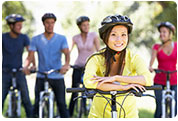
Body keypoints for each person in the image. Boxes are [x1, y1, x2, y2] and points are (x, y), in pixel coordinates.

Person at [83, 14, 152, 118]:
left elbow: (147, 79)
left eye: (124, 35)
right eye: (113, 34)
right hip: (99, 115)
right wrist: (123, 87)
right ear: (105, 37)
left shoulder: (133, 58)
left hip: (128, 115)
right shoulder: (96, 58)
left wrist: (115, 78)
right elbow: (89, 81)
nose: (119, 40)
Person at [23, 13, 70, 118]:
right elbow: (30, 56)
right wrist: (26, 66)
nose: (50, 25)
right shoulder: (36, 39)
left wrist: (66, 65)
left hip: (57, 75)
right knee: (36, 104)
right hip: (41, 75)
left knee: (62, 104)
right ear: (43, 24)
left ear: (54, 23)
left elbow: (67, 53)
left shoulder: (61, 38)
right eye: (47, 23)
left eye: (52, 23)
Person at [2, 14, 34, 117]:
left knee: (26, 100)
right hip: (5, 72)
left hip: (20, 72)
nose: (20, 27)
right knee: (1, 98)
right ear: (11, 26)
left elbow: (30, 53)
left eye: (21, 25)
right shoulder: (3, 37)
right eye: (18, 25)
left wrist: (28, 66)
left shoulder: (24, 37)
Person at [69, 16, 100, 117]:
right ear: (79, 26)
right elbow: (68, 51)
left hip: (90, 67)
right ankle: (69, 114)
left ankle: (95, 113)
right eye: (84, 25)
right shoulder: (75, 38)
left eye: (88, 24)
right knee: (74, 91)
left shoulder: (94, 35)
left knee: (92, 91)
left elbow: (98, 51)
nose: (86, 27)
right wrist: (66, 62)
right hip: (78, 66)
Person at [149, 22, 177, 118]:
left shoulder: (176, 46)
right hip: (159, 79)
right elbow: (152, 60)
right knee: (160, 106)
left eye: (164, 32)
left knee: (176, 106)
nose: (161, 34)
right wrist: (151, 67)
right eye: (160, 32)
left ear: (170, 34)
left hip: (173, 79)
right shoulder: (157, 47)